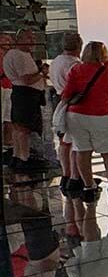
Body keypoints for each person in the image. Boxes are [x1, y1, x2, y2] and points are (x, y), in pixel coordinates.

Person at [61, 43, 108, 204]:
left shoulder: (76, 70)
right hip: (101, 116)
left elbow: (66, 94)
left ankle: (89, 187)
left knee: (82, 151)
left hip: (76, 116)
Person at [3, 28, 48, 171]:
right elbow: (26, 79)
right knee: (23, 129)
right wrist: (41, 72)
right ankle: (23, 158)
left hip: (21, 94)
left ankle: (18, 156)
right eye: (29, 38)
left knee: (18, 127)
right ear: (20, 39)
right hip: (26, 96)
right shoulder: (19, 55)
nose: (33, 41)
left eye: (34, 38)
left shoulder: (12, 54)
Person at [49, 31, 83, 197]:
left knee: (64, 142)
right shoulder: (74, 65)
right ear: (79, 46)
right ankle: (76, 177)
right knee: (76, 142)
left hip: (59, 100)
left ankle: (66, 174)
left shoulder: (56, 61)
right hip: (72, 102)